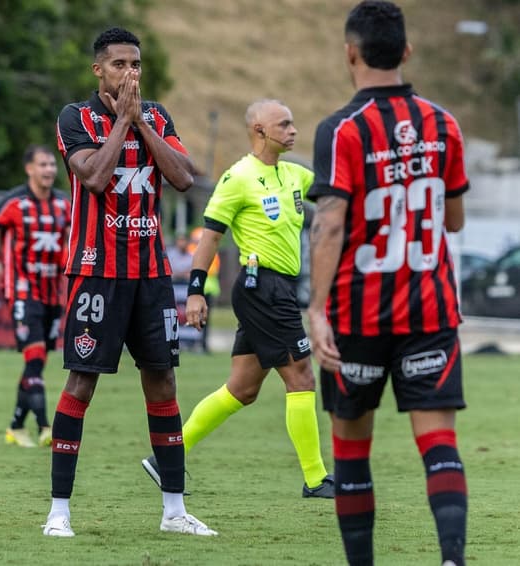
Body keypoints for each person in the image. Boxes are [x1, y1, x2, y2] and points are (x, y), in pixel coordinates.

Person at [307, 3, 469, 565]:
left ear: (350, 53)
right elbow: (452, 220)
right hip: (430, 309)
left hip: (358, 314)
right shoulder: (443, 123)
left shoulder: (341, 129)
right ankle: (452, 559)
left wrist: (318, 309)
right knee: (439, 445)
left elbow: (329, 224)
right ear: (406, 51)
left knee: (352, 450)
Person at [43, 27, 216, 538]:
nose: (130, 73)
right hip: (96, 272)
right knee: (82, 381)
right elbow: (94, 177)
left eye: (135, 64)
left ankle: (174, 511)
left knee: (163, 381)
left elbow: (185, 178)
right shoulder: (75, 118)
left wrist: (141, 123)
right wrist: (122, 121)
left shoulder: (157, 116)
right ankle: (59, 512)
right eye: (119, 64)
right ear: (99, 70)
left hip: (152, 274)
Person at [141, 99, 334, 499]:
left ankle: (165, 457)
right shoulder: (239, 178)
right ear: (260, 131)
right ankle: (316, 480)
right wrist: (195, 291)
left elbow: (335, 195)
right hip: (261, 288)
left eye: (293, 122)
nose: (294, 130)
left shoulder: (294, 175)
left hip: (277, 288)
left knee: (242, 389)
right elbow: (209, 235)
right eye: (285, 124)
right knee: (301, 375)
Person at [0, 145, 69, 449]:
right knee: (34, 358)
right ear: (29, 169)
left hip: (52, 295)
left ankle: (16, 426)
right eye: (42, 164)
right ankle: (45, 426)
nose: (49, 170)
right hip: (21, 293)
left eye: (51, 165)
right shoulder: (13, 204)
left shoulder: (63, 205)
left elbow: (73, 248)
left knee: (37, 363)